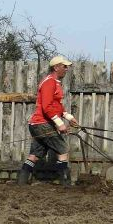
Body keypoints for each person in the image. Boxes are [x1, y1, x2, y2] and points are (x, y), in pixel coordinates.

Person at [17, 56, 78, 186]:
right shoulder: (49, 82)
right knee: (63, 150)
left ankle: (21, 183)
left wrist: (69, 117)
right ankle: (65, 184)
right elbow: (47, 107)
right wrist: (60, 124)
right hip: (42, 124)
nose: (66, 69)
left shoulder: (55, 83)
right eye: (64, 66)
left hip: (38, 124)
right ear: (56, 67)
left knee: (35, 155)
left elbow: (57, 106)